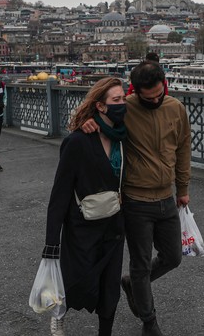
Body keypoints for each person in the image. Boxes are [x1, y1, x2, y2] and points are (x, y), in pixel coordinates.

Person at [82, 61, 192, 336]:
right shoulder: (125, 107)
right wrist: (87, 123)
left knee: (173, 257)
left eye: (159, 94)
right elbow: (95, 112)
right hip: (136, 200)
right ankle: (149, 320)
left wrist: (183, 188)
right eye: (149, 97)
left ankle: (133, 284)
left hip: (166, 197)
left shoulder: (175, 108)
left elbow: (183, 149)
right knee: (141, 263)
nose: (155, 100)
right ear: (136, 91)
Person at [42, 77, 127, 336]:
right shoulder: (78, 141)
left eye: (124, 98)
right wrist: (51, 242)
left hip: (113, 223)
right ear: (100, 106)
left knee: (110, 285)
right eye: (116, 100)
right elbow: (60, 193)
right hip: (82, 226)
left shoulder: (124, 136)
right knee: (76, 278)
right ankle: (59, 313)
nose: (123, 104)